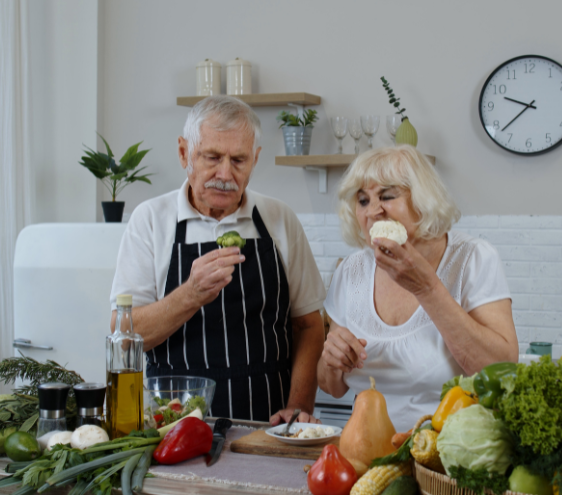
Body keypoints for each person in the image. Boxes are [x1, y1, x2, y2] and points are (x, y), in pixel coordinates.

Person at [110, 95, 325, 425]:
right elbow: (126, 335)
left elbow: (309, 325)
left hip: (269, 422)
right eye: (212, 157)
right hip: (175, 424)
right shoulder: (151, 220)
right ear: (184, 153)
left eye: (239, 160)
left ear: (255, 159)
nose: (225, 174)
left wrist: (298, 408)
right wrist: (190, 295)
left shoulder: (279, 219)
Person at [317, 145, 518, 431]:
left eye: (387, 196)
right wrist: (331, 361)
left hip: (448, 453)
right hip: (365, 451)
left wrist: (427, 289)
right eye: (363, 200)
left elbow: (501, 371)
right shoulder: (351, 270)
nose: (374, 211)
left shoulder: (473, 258)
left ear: (423, 200)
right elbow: (331, 387)